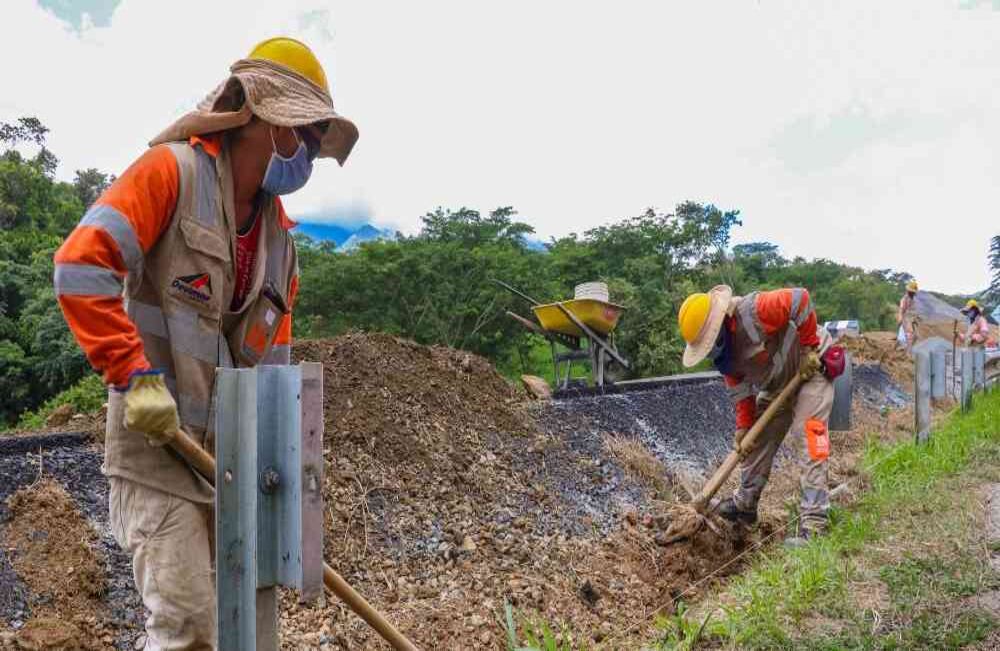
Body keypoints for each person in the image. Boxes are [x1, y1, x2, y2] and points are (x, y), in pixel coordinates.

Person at [53, 37, 357, 650]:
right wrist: (132, 376)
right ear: (265, 120)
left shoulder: (280, 245)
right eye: (306, 135)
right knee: (188, 627)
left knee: (245, 627)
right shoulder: (170, 173)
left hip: (230, 468)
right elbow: (80, 268)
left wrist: (286, 493)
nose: (306, 157)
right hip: (159, 455)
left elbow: (275, 373)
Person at [677, 286, 840, 546]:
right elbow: (740, 391)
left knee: (809, 436)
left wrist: (809, 348)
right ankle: (745, 506)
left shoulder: (755, 310)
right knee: (755, 440)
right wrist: (744, 427)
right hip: (778, 384)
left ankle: (814, 523)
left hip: (810, 367)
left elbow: (800, 298)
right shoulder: (725, 358)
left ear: (720, 325)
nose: (708, 351)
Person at [897, 280, 920, 351]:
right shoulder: (904, 299)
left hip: (911, 320)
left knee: (916, 336)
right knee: (906, 337)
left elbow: (913, 311)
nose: (912, 293)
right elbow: (901, 310)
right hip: (906, 320)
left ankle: (908, 349)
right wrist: (900, 318)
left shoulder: (913, 300)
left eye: (913, 292)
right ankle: (905, 350)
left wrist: (916, 319)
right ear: (909, 291)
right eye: (911, 292)